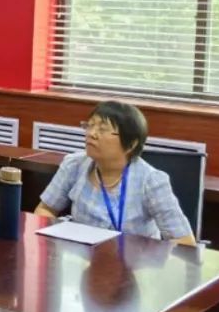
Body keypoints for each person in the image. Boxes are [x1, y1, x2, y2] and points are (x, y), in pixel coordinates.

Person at [35, 101, 195, 245]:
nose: (91, 133)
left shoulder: (151, 181)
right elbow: (45, 209)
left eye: (103, 129)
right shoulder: (74, 165)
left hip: (135, 264)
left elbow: (184, 242)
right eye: (90, 125)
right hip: (84, 260)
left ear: (131, 144)